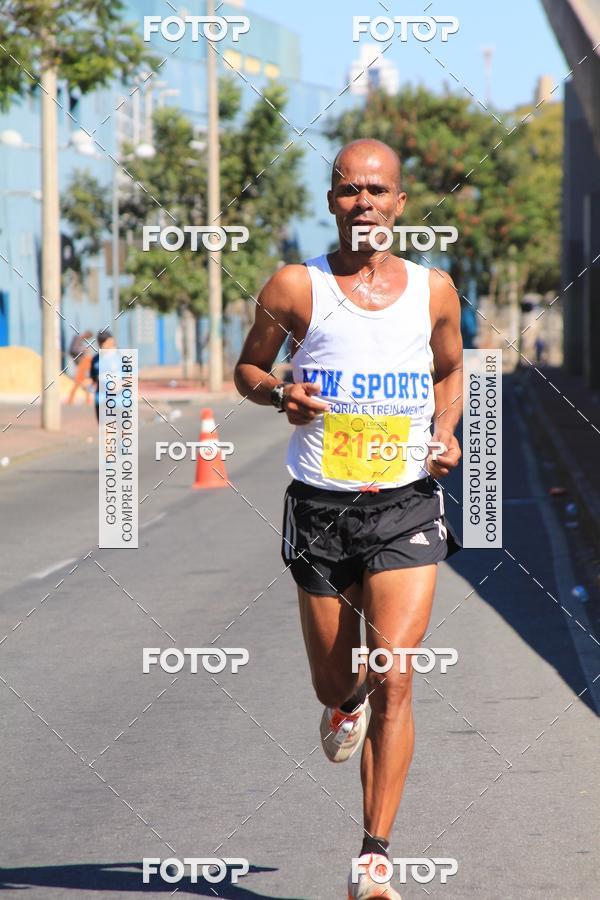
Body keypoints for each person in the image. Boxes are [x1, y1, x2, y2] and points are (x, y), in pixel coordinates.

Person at [234, 138, 463, 899]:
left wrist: (445, 430)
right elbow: (247, 369)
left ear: (400, 202)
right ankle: (345, 700)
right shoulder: (295, 286)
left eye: (377, 189)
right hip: (321, 508)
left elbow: (451, 370)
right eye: (348, 189)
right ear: (331, 201)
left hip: (404, 503)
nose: (363, 201)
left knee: (398, 672)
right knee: (336, 681)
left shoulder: (434, 290)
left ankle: (374, 859)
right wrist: (280, 394)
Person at [89, 329, 116, 421]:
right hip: (100, 399)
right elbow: (93, 379)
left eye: (104, 342)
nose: (102, 345)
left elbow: (131, 377)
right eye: (100, 342)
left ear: (111, 341)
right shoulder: (96, 359)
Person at [67, 330, 93, 405]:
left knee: (82, 381)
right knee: (80, 381)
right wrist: (83, 350)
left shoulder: (79, 340)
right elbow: (74, 350)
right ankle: (71, 399)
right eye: (88, 337)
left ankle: (87, 399)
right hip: (82, 362)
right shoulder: (77, 339)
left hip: (83, 362)